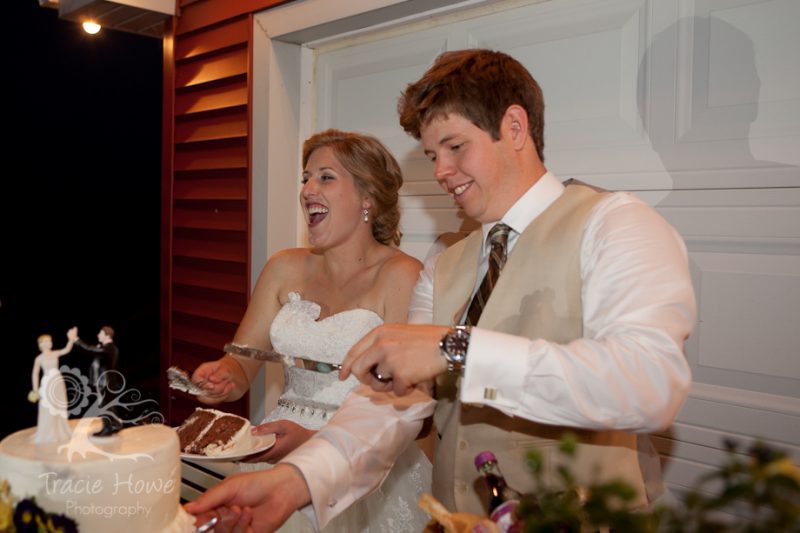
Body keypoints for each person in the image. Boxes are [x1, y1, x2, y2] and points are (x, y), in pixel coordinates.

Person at [187, 49, 696, 532]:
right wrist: (297, 480)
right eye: (433, 155)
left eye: (455, 147)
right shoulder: (445, 267)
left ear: (514, 127)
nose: (440, 172)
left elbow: (649, 384)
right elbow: (390, 405)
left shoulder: (615, 224)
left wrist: (457, 348)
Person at [188, 129, 433, 532]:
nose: (307, 189)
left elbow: (408, 405)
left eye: (325, 177)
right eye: (306, 178)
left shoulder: (402, 276)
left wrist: (312, 439)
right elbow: (241, 366)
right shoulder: (283, 266)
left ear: (367, 197)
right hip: (274, 446)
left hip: (364, 461)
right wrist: (221, 377)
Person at [69, 325, 122, 436]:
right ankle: (115, 424)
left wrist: (76, 339)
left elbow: (89, 349)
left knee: (103, 406)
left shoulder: (108, 348)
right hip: (107, 381)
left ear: (107, 335)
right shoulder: (110, 348)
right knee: (108, 405)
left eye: (100, 333)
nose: (98, 335)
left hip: (104, 382)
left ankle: (107, 428)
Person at [29, 329, 77, 444]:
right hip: (46, 383)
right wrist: (35, 389)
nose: (49, 342)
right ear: (41, 344)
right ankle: (48, 432)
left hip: (58, 382)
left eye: (50, 340)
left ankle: (60, 430)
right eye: (46, 341)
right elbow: (35, 373)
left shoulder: (55, 353)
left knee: (59, 406)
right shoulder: (39, 358)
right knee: (48, 407)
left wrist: (71, 340)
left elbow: (66, 349)